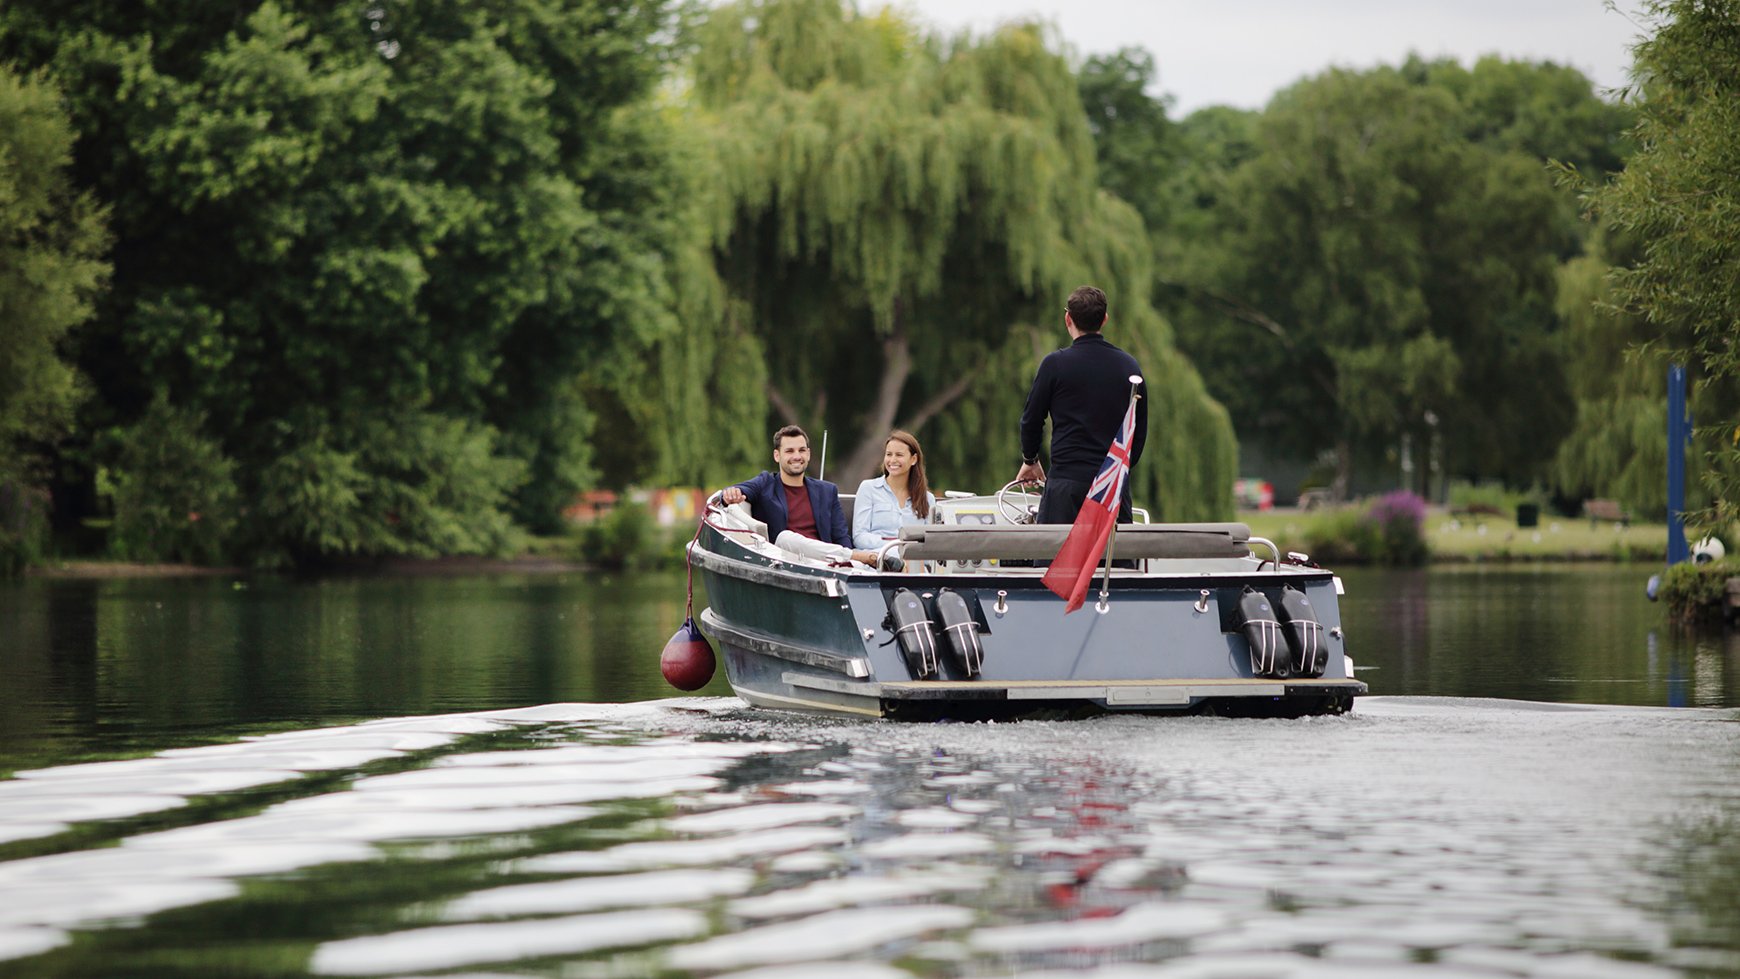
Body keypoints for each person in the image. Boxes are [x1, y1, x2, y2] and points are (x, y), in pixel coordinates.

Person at [1016, 285, 1147, 525]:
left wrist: (1030, 460)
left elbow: (1031, 419)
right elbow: (1138, 431)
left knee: (1058, 560)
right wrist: (1119, 471)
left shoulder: (1055, 365)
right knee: (1113, 561)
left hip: (1066, 485)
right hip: (1112, 487)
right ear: (1104, 319)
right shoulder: (1129, 367)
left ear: (1068, 318)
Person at [721, 425, 885, 567]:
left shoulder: (827, 491)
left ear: (808, 454)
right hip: (786, 563)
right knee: (785, 537)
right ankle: (863, 558)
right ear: (777, 455)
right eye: (789, 451)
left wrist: (851, 562)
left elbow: (841, 536)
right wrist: (730, 494)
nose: (797, 456)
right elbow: (738, 490)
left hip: (827, 564)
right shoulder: (766, 483)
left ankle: (862, 561)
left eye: (801, 450)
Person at [853, 429, 936, 550]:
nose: (892, 460)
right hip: (876, 561)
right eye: (889, 454)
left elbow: (930, 542)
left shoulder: (928, 499)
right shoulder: (868, 489)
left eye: (899, 455)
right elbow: (859, 537)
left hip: (914, 563)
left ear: (913, 459)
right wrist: (893, 546)